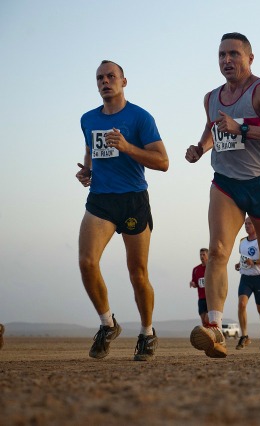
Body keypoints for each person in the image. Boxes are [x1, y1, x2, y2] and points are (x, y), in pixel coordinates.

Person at [185, 33, 260, 358]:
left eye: (234, 54)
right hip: (226, 184)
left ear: (250, 58)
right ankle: (215, 327)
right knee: (219, 250)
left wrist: (244, 128)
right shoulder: (211, 98)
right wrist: (199, 148)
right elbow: (213, 129)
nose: (227, 60)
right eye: (222, 55)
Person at [77, 60, 169, 361]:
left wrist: (128, 147)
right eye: (100, 78)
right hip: (101, 200)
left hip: (133, 199)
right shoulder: (87, 118)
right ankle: (107, 324)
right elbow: (92, 147)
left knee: (137, 274)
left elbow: (163, 162)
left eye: (111, 76)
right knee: (87, 262)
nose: (106, 82)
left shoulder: (140, 117)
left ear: (124, 82)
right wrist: (88, 171)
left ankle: (147, 332)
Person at [234, 217, 260, 351]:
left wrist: (254, 263)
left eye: (249, 224)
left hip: (259, 278)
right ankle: (244, 336)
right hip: (245, 278)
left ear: (255, 225)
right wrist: (240, 264)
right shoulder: (242, 241)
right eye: (246, 224)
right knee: (241, 304)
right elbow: (243, 257)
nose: (247, 226)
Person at [189, 248, 209, 326]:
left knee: (208, 319)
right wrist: (193, 284)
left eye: (204, 254)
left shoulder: (212, 268)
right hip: (201, 298)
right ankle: (206, 337)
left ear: (208, 255)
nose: (202, 256)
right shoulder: (196, 269)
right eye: (200, 255)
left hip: (211, 298)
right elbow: (196, 283)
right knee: (204, 321)